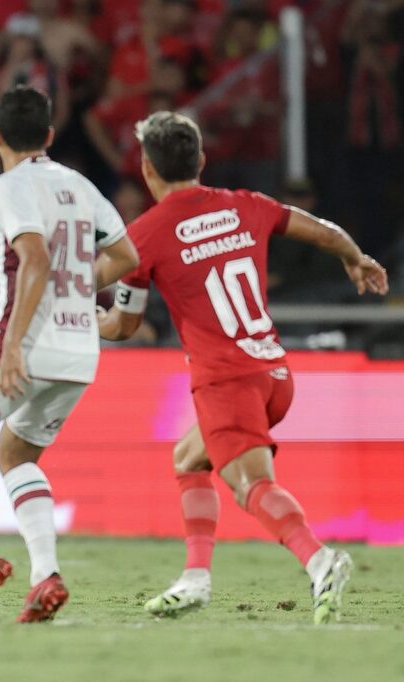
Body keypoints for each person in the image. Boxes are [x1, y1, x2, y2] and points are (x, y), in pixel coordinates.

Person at [97, 111, 389, 624]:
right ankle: (195, 577)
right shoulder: (245, 204)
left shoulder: (144, 235)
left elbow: (123, 326)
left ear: (147, 168)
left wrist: (87, 319)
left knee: (250, 485)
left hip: (225, 380)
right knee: (189, 457)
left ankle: (318, 560)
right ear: (202, 160)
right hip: (273, 373)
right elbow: (321, 231)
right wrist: (355, 257)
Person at [0, 86, 139, 622]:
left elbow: (33, 257)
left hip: (28, 345)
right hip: (79, 351)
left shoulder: (6, 187)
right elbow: (125, 255)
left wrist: (13, 344)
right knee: (16, 455)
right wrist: (78, 292)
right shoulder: (80, 184)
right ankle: (46, 575)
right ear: (50, 135)